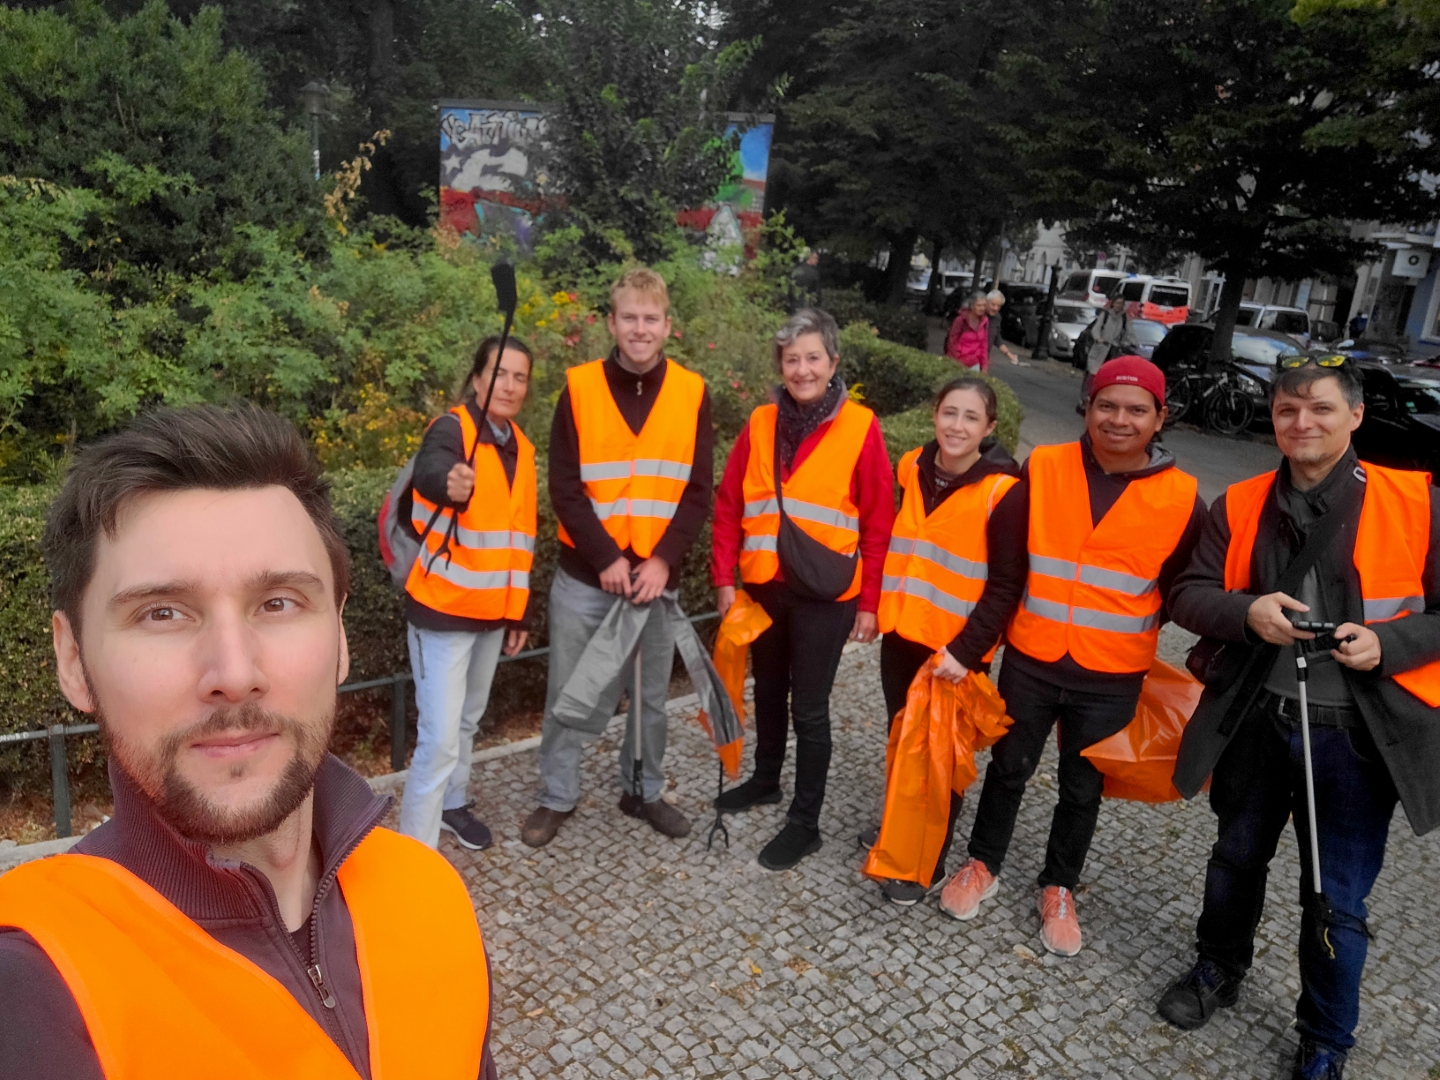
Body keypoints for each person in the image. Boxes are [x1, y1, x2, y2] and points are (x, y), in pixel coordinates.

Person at [0, 405, 495, 1079]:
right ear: (72, 660)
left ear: (341, 638)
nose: (234, 675)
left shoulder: (430, 894)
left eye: (279, 603)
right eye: (162, 613)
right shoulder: (33, 980)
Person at [1157, 357, 1440, 1080]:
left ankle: (1326, 1038)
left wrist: (1392, 643)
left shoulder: (1418, 504)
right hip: (1257, 717)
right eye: (1286, 411)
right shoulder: (1243, 501)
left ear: (1355, 416)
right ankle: (1218, 968)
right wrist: (1245, 613)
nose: (1300, 424)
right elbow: (1186, 594)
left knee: (1337, 896)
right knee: (1234, 859)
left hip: (1356, 738)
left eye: (1317, 409)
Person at [938, 356, 1206, 955]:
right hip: (1032, 656)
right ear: (1087, 407)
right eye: (1106, 404)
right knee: (1009, 767)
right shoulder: (1045, 466)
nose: (1118, 419)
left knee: (1083, 787)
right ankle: (982, 862)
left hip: (1112, 672)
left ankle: (1058, 884)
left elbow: (1183, 588)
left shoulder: (1184, 497)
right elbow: (1009, 560)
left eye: (1137, 409)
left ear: (1160, 418)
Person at [522, 267, 713, 848]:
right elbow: (564, 485)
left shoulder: (692, 392)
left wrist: (662, 561)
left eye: (650, 319)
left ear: (667, 326)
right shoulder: (578, 388)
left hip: (657, 580)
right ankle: (557, 794)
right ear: (611, 322)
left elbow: (697, 490)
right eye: (629, 317)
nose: (640, 328)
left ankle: (643, 790)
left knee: (650, 697)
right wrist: (605, 555)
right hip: (587, 577)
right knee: (569, 691)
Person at [710, 308, 895, 870]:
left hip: (827, 593)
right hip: (766, 585)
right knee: (767, 690)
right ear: (781, 365)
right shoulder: (761, 422)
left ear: (833, 362)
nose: (802, 368)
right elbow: (728, 504)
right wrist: (723, 581)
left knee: (809, 708)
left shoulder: (861, 426)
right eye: (792, 359)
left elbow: (880, 519)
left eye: (813, 357)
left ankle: (804, 822)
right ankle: (767, 780)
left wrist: (871, 604)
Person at [871, 376, 1027, 905]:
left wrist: (965, 652)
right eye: (949, 413)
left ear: (989, 428)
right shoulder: (911, 467)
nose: (956, 426)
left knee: (942, 758)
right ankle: (899, 833)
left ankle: (926, 860)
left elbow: (1007, 584)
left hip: (954, 652)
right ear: (935, 415)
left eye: (970, 418)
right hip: (902, 635)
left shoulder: (1003, 492)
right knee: (903, 741)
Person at [401, 335, 537, 852]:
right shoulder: (451, 430)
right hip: (441, 611)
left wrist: (518, 610)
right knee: (437, 739)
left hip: (492, 614)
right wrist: (448, 484)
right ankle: (416, 853)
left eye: (519, 377)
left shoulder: (521, 449)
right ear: (478, 377)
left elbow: (522, 538)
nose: (509, 384)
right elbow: (433, 471)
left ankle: (453, 805)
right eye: (499, 372)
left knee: (467, 721)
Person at [1084, 290, 1139, 375]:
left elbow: (1130, 333)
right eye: (1117, 303)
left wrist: (1133, 343)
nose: (1118, 305)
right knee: (1094, 372)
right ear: (1113, 304)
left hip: (1114, 350)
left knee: (1111, 372)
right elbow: (1096, 329)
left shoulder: (1125, 318)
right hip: (1101, 349)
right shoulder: (1105, 315)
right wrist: (1098, 339)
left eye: (1121, 303)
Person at [946, 291, 992, 372]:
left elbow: (984, 344)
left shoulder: (984, 321)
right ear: (971, 306)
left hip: (974, 363)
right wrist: (956, 362)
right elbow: (952, 342)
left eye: (984, 305)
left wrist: (984, 365)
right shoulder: (961, 320)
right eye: (979, 305)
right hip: (958, 362)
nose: (982, 308)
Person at [986, 290, 1021, 366]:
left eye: (998, 306)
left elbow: (996, 338)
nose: (995, 308)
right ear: (986, 302)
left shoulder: (997, 317)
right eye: (993, 304)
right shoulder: (979, 314)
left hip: (984, 356)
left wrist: (1008, 354)